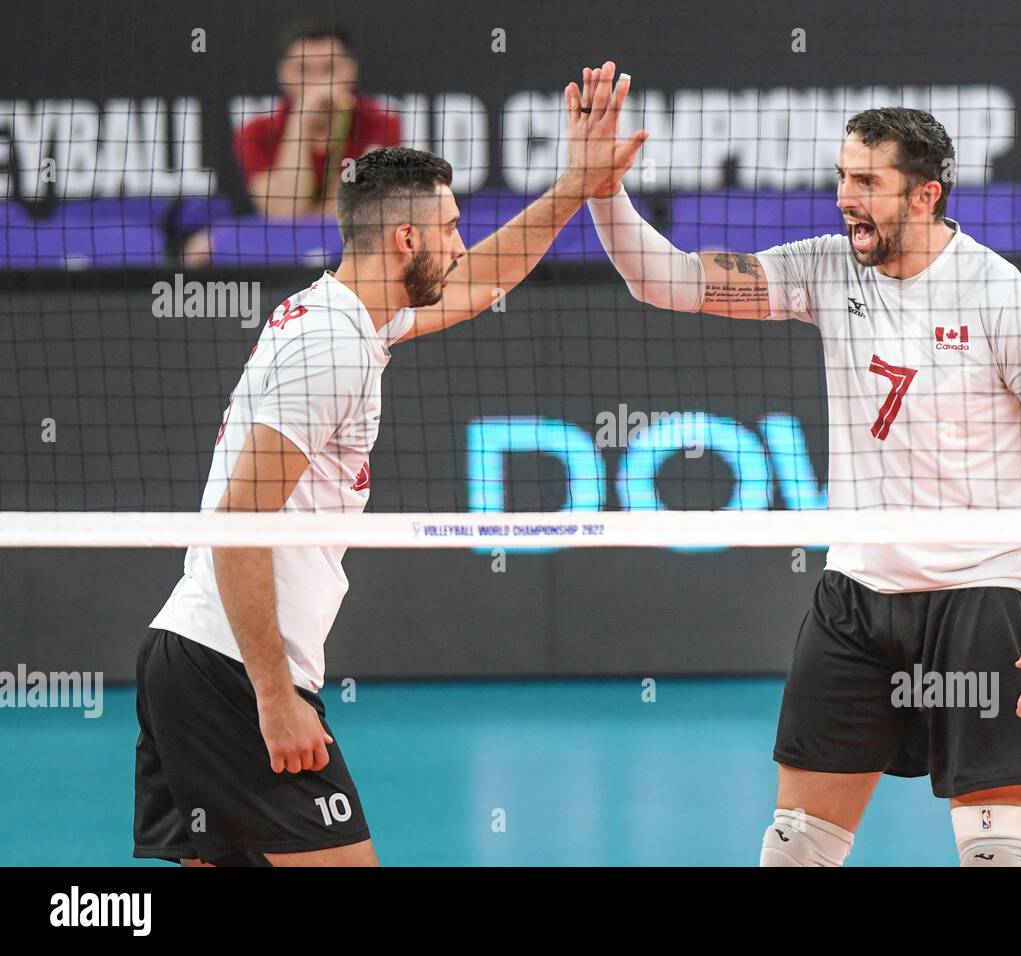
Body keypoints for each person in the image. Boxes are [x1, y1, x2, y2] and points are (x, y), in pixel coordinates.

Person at [585, 104, 1021, 866]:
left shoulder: (1003, 300)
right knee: (794, 850)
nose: (845, 196)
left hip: (981, 596)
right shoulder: (826, 269)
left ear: (924, 196)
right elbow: (664, 281)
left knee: (996, 857)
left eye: (866, 181)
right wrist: (603, 190)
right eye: (843, 175)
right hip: (858, 595)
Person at [135, 62, 645, 866]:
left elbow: (479, 281)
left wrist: (577, 185)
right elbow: (234, 523)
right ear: (405, 239)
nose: (458, 242)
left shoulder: (349, 318)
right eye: (447, 227)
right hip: (231, 670)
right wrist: (275, 696)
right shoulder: (331, 345)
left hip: (196, 656)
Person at [235, 23, 403, 218]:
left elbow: (350, 211)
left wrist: (340, 123)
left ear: (351, 70)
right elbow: (284, 212)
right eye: (303, 70)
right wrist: (301, 119)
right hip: (280, 242)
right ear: (283, 74)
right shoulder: (255, 131)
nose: (318, 82)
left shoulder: (382, 122)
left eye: (329, 68)